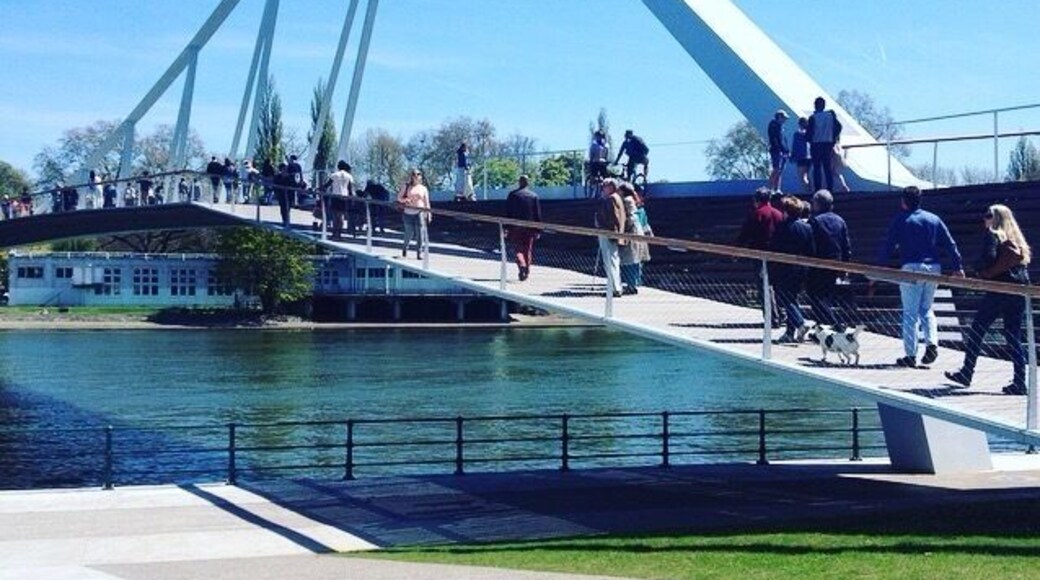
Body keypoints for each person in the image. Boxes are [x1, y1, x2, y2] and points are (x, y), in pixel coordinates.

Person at [946, 205, 1032, 395]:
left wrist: (978, 269)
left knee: (978, 329)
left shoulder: (993, 235)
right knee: (1013, 336)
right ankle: (1020, 381)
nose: (984, 220)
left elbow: (989, 258)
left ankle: (967, 372)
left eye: (988, 216)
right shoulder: (1018, 241)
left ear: (996, 219)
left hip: (998, 290)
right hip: (1017, 291)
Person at [876, 186, 964, 367]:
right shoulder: (934, 219)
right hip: (934, 268)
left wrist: (880, 267)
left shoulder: (900, 220)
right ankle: (932, 343)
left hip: (911, 267)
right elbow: (950, 244)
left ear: (903, 201)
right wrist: (957, 267)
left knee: (910, 313)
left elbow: (888, 246)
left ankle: (910, 355)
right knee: (926, 308)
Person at [771, 196, 816, 342]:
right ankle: (789, 333)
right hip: (802, 269)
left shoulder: (781, 227)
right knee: (793, 298)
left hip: (784, 268)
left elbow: (774, 248)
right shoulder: (807, 228)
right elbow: (812, 250)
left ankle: (800, 323)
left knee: (785, 298)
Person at [807, 190, 852, 328]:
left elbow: (810, 243)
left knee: (815, 295)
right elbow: (846, 245)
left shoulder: (814, 221)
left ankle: (834, 324)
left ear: (818, 204)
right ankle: (822, 328)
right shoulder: (840, 221)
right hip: (836, 263)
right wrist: (845, 266)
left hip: (818, 264)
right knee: (826, 296)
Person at [737, 187, 785, 317]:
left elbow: (745, 234)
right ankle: (781, 313)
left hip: (761, 255)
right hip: (779, 256)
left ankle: (772, 316)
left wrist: (737, 249)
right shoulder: (779, 214)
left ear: (756, 200)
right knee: (777, 286)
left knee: (764, 286)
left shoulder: (757, 214)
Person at [505, 175, 542, 281]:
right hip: (530, 227)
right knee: (528, 249)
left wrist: (507, 227)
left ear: (519, 182)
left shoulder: (512, 195)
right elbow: (537, 214)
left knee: (518, 249)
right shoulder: (534, 196)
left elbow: (508, 212)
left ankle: (522, 264)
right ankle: (527, 269)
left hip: (515, 227)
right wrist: (538, 229)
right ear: (528, 183)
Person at [594, 178, 626, 298]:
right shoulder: (616, 198)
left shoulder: (611, 199)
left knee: (610, 261)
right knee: (613, 260)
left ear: (611, 187)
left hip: (608, 233)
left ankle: (614, 288)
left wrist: (606, 229)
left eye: (605, 186)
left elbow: (613, 217)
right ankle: (615, 287)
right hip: (613, 233)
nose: (603, 188)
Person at [806, 97, 842, 193]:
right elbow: (839, 127)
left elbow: (809, 133)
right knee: (827, 167)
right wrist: (833, 139)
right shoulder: (830, 116)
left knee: (817, 167)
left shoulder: (813, 117)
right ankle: (830, 188)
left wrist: (809, 140)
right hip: (827, 143)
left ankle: (817, 189)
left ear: (815, 105)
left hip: (816, 144)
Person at [619, 182, 649, 294]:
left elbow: (630, 217)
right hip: (638, 233)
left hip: (632, 233)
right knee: (635, 259)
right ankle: (634, 282)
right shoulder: (636, 203)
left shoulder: (627, 201)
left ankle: (632, 285)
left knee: (630, 259)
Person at [397, 169, 431, 259]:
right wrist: (405, 200)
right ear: (411, 176)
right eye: (414, 174)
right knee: (409, 233)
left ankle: (419, 252)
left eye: (418, 174)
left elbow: (426, 202)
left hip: (419, 212)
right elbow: (399, 198)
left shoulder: (423, 188)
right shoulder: (406, 186)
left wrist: (428, 214)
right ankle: (405, 247)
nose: (416, 176)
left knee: (420, 233)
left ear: (421, 176)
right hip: (408, 213)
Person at [321, 160, 355, 239]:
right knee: (341, 216)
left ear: (338, 167)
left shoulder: (334, 175)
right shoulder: (349, 176)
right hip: (344, 197)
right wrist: (352, 199)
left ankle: (334, 233)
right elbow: (350, 189)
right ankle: (339, 234)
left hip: (335, 196)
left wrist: (320, 189)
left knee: (334, 216)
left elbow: (327, 185)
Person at [767, 110, 790, 192]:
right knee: (776, 169)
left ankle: (777, 189)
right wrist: (780, 149)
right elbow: (775, 139)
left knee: (780, 171)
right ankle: (769, 188)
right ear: (779, 117)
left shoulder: (780, 126)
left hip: (782, 151)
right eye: (784, 118)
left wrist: (786, 150)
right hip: (776, 150)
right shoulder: (774, 125)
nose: (785, 120)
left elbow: (783, 140)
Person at [790, 117, 812, 194]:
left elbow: (795, 146)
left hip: (801, 157)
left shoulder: (797, 134)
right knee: (807, 175)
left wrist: (793, 156)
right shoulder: (809, 133)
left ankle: (807, 192)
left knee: (802, 176)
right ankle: (810, 190)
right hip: (809, 157)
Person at [273, 162, 293, 227]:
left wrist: (287, 178)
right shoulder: (277, 177)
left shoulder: (289, 177)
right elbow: (275, 185)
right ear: (281, 170)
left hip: (289, 196)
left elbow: (292, 184)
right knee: (283, 208)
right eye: (283, 169)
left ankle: (287, 221)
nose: (285, 170)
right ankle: (284, 220)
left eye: (285, 169)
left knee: (288, 208)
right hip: (281, 195)